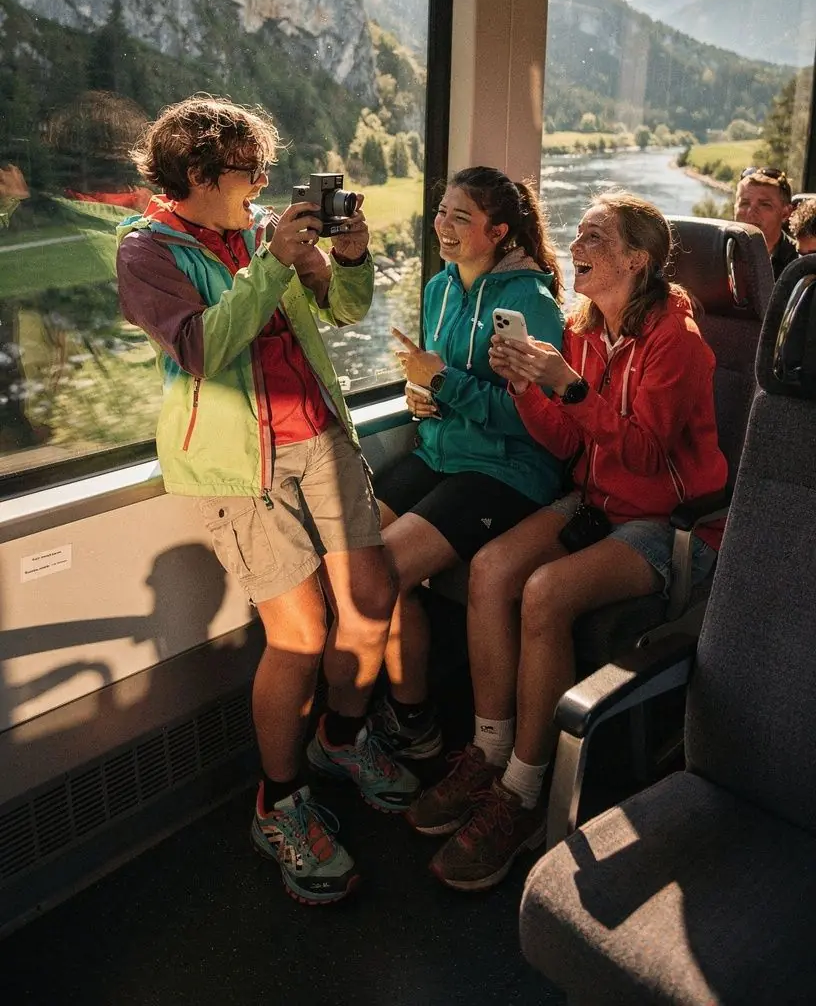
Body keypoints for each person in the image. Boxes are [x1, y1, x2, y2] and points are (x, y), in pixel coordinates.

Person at [116, 95, 418, 907]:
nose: (261, 184)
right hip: (241, 466)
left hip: (319, 434)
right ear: (199, 173)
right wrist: (272, 264)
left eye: (263, 170)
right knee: (302, 634)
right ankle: (278, 802)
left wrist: (350, 258)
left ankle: (341, 737)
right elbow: (201, 349)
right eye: (248, 171)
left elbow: (345, 310)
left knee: (373, 600)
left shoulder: (259, 234)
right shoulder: (146, 251)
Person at [411, 191, 728, 892]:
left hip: (669, 523)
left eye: (595, 237)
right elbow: (563, 440)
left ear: (636, 260)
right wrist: (529, 387)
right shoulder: (582, 328)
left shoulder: (678, 341)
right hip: (595, 501)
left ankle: (524, 791)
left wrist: (572, 387)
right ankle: (489, 751)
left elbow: (646, 456)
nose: (575, 247)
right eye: (579, 233)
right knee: (491, 569)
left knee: (545, 592)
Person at [371, 167, 565, 760]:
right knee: (355, 553)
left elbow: (531, 419)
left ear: (499, 232)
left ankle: (414, 723)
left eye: (462, 217)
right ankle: (410, 705)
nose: (444, 227)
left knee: (382, 573)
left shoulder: (529, 304)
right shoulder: (440, 288)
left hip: (505, 469)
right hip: (441, 451)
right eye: (442, 212)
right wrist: (420, 394)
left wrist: (445, 382)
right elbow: (436, 376)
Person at [734, 166, 796, 278]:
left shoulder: (800, 263)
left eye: (764, 205)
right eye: (744, 203)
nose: (751, 212)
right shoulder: (716, 252)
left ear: (785, 214)